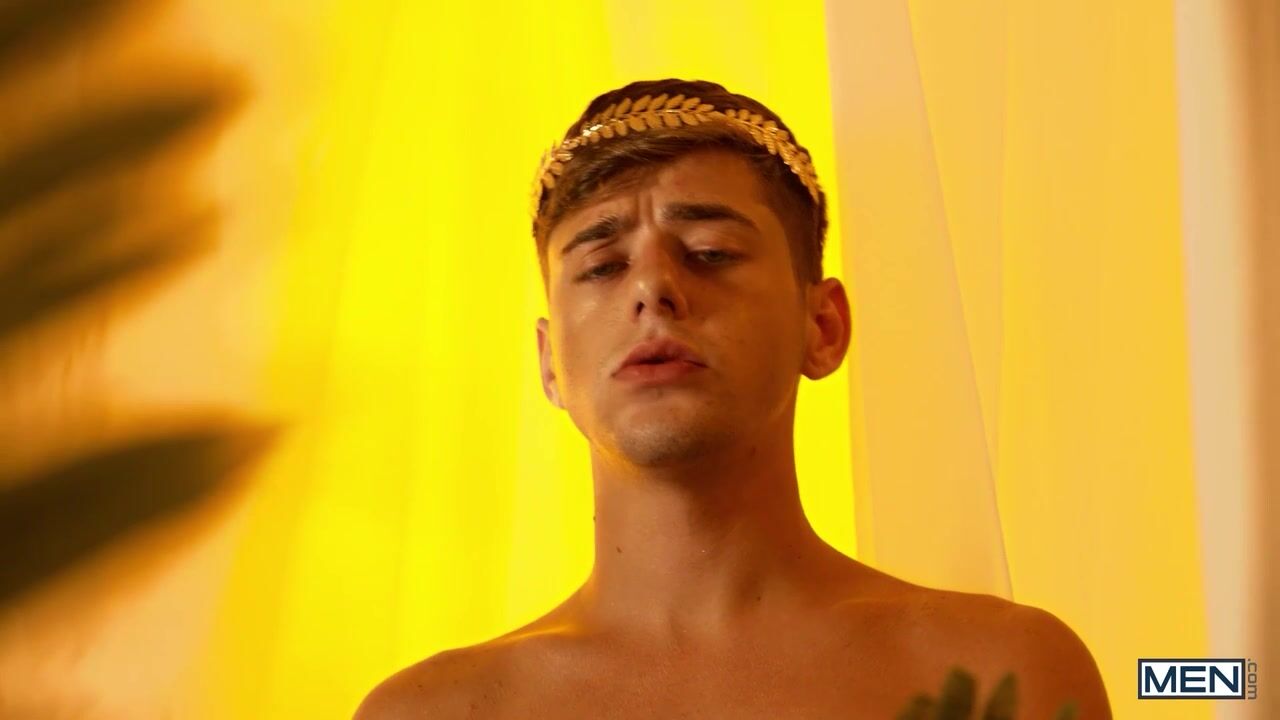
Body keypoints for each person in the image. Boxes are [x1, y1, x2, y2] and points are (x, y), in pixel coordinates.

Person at [355, 79, 1112, 719]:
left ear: (822, 326)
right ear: (551, 362)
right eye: (602, 266)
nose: (654, 288)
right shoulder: (433, 712)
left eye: (710, 253)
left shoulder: (999, 673)